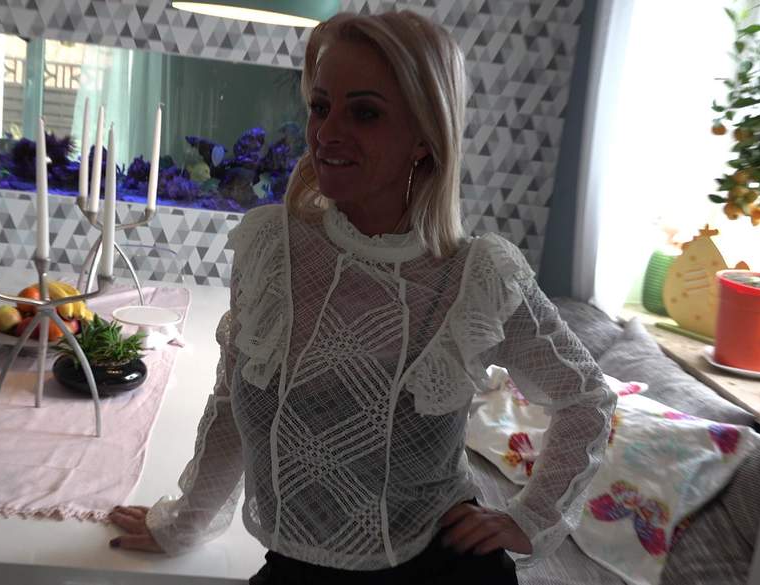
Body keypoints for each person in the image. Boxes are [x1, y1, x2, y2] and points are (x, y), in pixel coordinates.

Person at [108, 10, 617, 585]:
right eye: (320, 106)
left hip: (438, 569)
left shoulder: (478, 276)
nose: (327, 132)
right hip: (293, 567)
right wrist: (182, 524)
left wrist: (531, 518)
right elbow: (233, 404)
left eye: (365, 112)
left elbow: (586, 398)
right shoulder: (270, 245)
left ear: (425, 137)